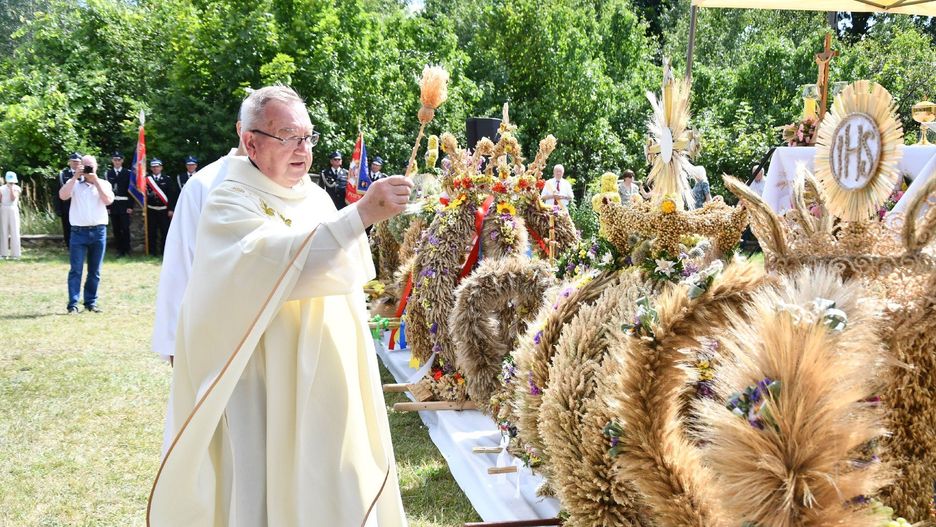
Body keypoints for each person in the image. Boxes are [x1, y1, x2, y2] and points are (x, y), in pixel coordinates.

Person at [148, 85, 409, 526]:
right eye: (289, 137)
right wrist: (360, 215)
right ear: (251, 142)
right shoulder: (227, 198)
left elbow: (341, 268)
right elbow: (277, 262)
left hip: (325, 371)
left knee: (335, 475)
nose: (303, 151)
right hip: (260, 375)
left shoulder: (316, 196)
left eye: (308, 138)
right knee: (264, 483)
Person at [58, 155, 114, 313]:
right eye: (85, 166)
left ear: (96, 167)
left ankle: (91, 302)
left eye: (91, 166)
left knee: (95, 271)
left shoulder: (103, 183)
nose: (89, 169)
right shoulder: (75, 183)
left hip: (98, 231)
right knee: (76, 269)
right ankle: (73, 304)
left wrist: (95, 181)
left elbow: (108, 200)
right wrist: (75, 176)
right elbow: (63, 196)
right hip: (78, 232)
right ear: (80, 167)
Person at [105, 152, 134, 257]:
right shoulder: (108, 174)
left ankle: (127, 249)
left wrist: (130, 206)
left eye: (119, 160)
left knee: (125, 228)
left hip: (124, 204)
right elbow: (106, 191)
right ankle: (119, 250)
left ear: (122, 161)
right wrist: (107, 206)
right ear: (112, 161)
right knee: (116, 229)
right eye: (115, 160)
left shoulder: (128, 173)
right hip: (113, 204)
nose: (117, 162)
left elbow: (131, 191)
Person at [145, 158, 173, 256]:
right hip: (151, 209)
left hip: (163, 210)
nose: (155, 168)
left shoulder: (167, 179)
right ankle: (152, 251)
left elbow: (171, 195)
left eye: (157, 166)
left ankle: (164, 251)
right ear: (151, 168)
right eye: (153, 167)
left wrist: (170, 209)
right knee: (151, 231)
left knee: (164, 231)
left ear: (161, 167)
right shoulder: (146, 180)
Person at [55, 153, 82, 248]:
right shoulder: (63, 174)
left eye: (77, 162)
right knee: (67, 227)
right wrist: (58, 208)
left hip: (80, 206)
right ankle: (69, 246)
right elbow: (57, 193)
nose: (75, 164)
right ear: (69, 162)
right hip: (67, 206)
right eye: (73, 161)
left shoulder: (84, 174)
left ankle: (80, 245)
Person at [1, 171, 22, 259]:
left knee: (15, 231)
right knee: (3, 231)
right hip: (3, 208)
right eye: (9, 181)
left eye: (12, 181)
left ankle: (15, 254)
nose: (11, 183)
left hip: (13, 208)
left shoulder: (17, 188)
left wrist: (11, 189)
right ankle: (3, 253)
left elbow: (13, 198)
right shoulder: (1, 188)